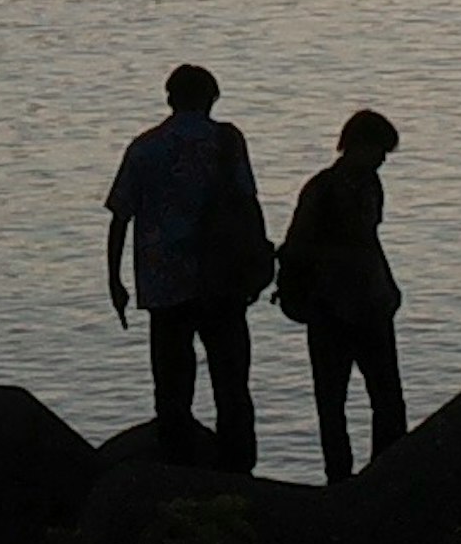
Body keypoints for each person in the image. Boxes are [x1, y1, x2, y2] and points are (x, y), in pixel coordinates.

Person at [104, 62, 267, 469]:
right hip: (222, 281)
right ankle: (239, 472)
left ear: (169, 99)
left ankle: (178, 472)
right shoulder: (227, 142)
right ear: (211, 98)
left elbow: (120, 215)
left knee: (172, 387)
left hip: (164, 282)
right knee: (232, 385)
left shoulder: (144, 147)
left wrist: (115, 279)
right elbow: (248, 202)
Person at [277, 107, 408, 483]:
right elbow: (299, 246)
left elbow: (369, 239)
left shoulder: (369, 185)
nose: (382, 160)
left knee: (385, 399)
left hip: (368, 303)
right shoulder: (322, 189)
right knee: (335, 401)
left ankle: (385, 473)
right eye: (379, 150)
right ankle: (341, 476)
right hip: (332, 307)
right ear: (357, 146)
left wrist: (387, 284)